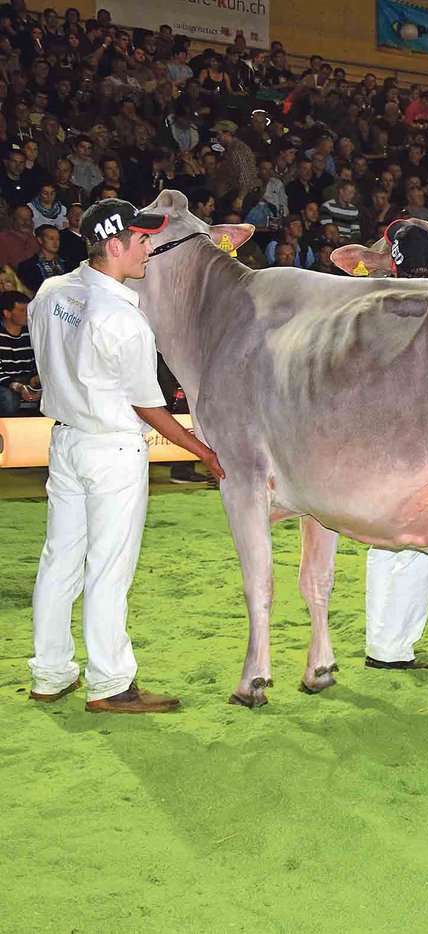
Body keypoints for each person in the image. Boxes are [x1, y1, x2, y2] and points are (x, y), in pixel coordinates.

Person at [27, 199, 225, 712]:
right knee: (108, 571)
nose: (149, 252)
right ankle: (111, 684)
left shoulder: (49, 293)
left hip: (66, 440)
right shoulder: (124, 317)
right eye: (142, 242)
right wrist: (203, 451)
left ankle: (50, 673)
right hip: (112, 448)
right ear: (114, 245)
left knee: (60, 560)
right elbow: (148, 406)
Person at [362, 222, 428, 671]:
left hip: (377, 435)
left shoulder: (373, 301)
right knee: (426, 541)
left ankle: (380, 643)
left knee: (383, 540)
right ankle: (394, 649)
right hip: (423, 436)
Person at [0, 290, 39, 415]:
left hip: (27, 380)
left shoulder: (32, 334)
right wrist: (17, 386)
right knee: (9, 400)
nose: (27, 314)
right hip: (5, 383)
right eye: (22, 311)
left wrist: (35, 379)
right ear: (7, 313)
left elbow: (38, 362)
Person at [17, 225, 67, 293]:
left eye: (58, 239)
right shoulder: (27, 267)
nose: (55, 242)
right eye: (51, 238)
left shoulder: (67, 263)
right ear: (40, 240)